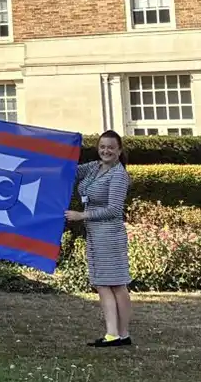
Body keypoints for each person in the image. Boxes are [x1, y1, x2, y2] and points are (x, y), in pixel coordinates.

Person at [65, 129, 132, 347]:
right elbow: (70, 172)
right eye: (102, 147)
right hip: (95, 233)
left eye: (111, 148)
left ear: (119, 150)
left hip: (109, 234)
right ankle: (120, 334)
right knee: (110, 283)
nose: (106, 151)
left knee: (110, 284)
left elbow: (114, 209)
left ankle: (115, 333)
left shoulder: (119, 175)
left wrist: (82, 215)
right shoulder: (95, 167)